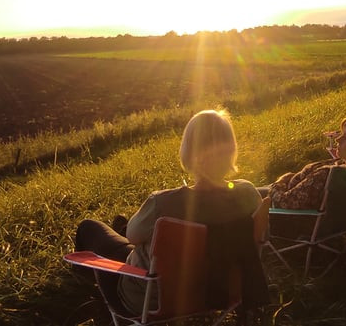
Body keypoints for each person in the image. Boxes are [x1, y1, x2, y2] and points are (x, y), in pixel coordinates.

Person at [74, 109, 263, 316]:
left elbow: (133, 237)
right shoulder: (249, 194)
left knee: (89, 228)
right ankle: (122, 225)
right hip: (220, 292)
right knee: (130, 233)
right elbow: (261, 238)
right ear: (231, 148)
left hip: (150, 299)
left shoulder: (163, 203)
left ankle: (88, 291)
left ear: (190, 152)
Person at [264, 114, 346, 235]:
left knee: (245, 194)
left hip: (281, 217)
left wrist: (279, 182)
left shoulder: (329, 177)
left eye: (345, 138)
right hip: (320, 220)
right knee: (246, 189)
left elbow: (284, 203)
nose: (337, 139)